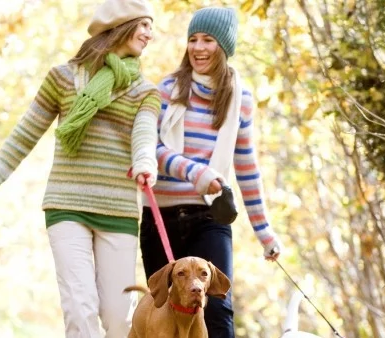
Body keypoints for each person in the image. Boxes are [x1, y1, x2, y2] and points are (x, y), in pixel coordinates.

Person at [0, 0, 160, 337]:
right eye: (143, 25)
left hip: (118, 210)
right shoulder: (63, 78)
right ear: (120, 24)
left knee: (119, 320)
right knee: (79, 309)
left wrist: (145, 162)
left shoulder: (145, 91)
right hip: (67, 205)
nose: (149, 34)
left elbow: (145, 135)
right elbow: (22, 137)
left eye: (151, 27)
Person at [139, 7, 283, 338]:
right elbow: (151, 149)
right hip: (160, 216)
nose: (198, 48)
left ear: (225, 47)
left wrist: (265, 232)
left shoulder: (240, 98)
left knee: (217, 307)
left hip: (209, 218)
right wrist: (197, 174)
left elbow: (246, 166)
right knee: (165, 313)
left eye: (208, 40)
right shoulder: (167, 90)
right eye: (193, 39)